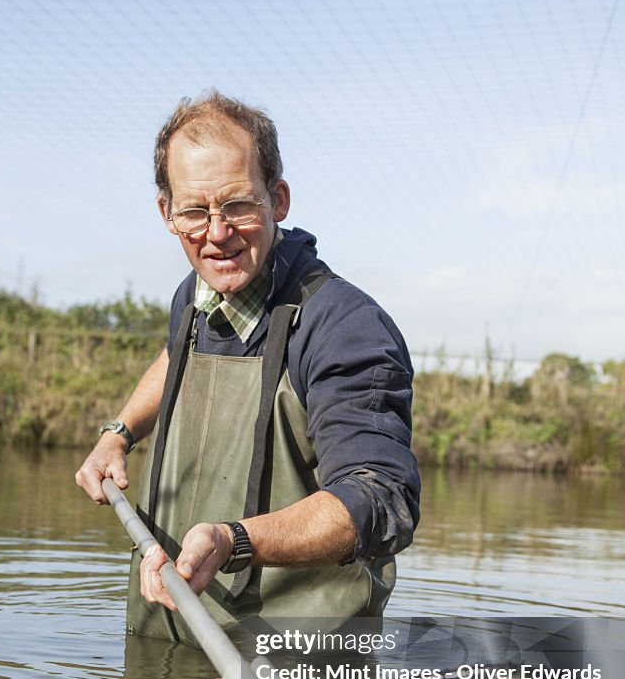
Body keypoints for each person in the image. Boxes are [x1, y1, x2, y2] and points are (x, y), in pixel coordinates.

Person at [76, 90, 420, 644]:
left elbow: (380, 497)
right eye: (194, 211)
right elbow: (176, 354)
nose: (216, 234)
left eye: (238, 205)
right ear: (167, 213)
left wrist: (233, 540)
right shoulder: (196, 293)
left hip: (293, 671)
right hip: (163, 640)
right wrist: (118, 434)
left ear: (277, 199)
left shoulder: (343, 326)